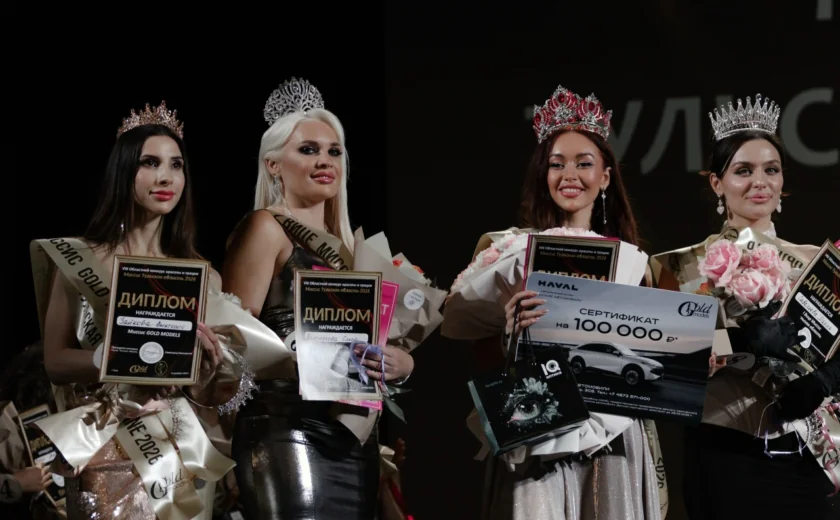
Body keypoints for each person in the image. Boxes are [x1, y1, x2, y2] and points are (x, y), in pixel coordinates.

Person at [457, 84, 664, 520]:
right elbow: (480, 360)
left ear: (605, 177)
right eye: (556, 164)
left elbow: (655, 365)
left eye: (583, 163)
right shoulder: (508, 253)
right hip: (537, 426)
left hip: (611, 436)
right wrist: (510, 332)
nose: (569, 174)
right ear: (543, 175)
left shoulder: (636, 265)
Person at [223, 77, 414, 520]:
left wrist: (401, 362)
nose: (325, 160)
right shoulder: (266, 227)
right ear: (273, 164)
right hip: (285, 426)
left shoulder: (349, 250)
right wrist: (302, 358)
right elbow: (231, 340)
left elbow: (373, 342)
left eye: (334, 151)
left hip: (352, 436)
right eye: (308, 150)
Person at [31, 102, 224, 519]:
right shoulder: (79, 259)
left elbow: (212, 395)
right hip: (104, 445)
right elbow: (55, 362)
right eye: (149, 163)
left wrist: (207, 371)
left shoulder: (202, 273)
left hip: (176, 445)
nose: (165, 176)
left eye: (176, 165)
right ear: (123, 172)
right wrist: (112, 359)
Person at [652, 94, 839, 519]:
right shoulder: (678, 266)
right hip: (721, 457)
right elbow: (663, 362)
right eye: (743, 170)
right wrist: (739, 340)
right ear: (716, 184)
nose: (760, 182)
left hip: (802, 453)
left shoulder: (817, 262)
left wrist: (825, 380)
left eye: (771, 170)